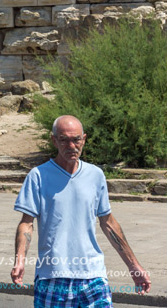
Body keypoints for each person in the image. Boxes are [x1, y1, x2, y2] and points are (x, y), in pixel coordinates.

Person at [11, 115, 151, 305]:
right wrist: (20, 260)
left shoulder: (95, 175)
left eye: (76, 139)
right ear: (54, 140)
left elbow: (108, 223)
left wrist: (134, 267)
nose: (71, 146)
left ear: (84, 139)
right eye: (64, 140)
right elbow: (26, 223)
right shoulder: (38, 176)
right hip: (53, 275)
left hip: (93, 276)